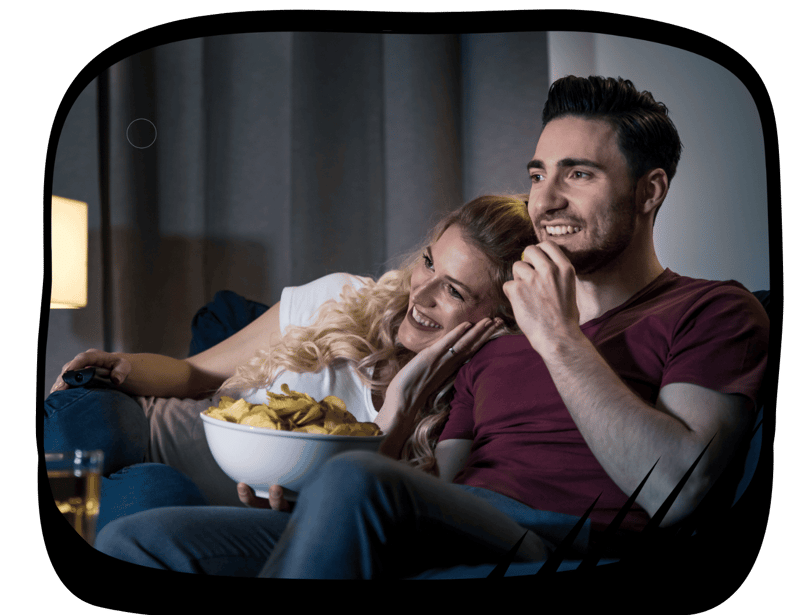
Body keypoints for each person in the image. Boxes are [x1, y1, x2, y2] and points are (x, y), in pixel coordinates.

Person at [94, 76, 769, 579]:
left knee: (354, 482)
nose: (547, 199)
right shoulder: (494, 338)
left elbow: (677, 490)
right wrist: (388, 421)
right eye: (539, 175)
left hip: (558, 540)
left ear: (650, 191)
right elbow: (436, 488)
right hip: (449, 524)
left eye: (580, 174)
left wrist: (560, 338)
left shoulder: (713, 311)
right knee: (139, 541)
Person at [45, 194, 537, 533]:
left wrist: (405, 405)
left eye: (453, 290)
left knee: (154, 492)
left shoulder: (465, 415)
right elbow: (195, 373)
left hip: (198, 506)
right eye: (429, 262)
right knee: (82, 420)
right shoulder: (340, 296)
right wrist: (120, 365)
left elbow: (356, 511)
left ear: (499, 319)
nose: (421, 294)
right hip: (147, 429)